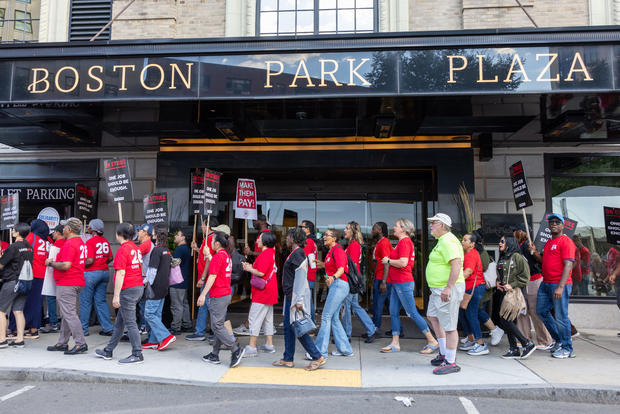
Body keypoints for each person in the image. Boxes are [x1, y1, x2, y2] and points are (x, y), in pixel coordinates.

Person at [380, 218, 438, 354]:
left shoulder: (405, 242)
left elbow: (403, 262)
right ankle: (395, 343)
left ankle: (432, 341)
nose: (393, 228)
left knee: (412, 312)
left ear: (403, 229)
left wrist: (388, 260)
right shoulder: (402, 242)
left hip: (402, 282)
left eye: (396, 225)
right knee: (393, 311)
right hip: (397, 283)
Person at [273, 227, 325, 370]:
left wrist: (299, 300)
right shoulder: (296, 253)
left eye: (289, 237)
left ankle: (317, 356)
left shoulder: (298, 255)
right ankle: (288, 358)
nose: (287, 239)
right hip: (291, 296)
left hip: (295, 297)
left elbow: (301, 278)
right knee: (290, 328)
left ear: (294, 239)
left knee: (298, 328)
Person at [95, 223, 145, 364]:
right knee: (120, 323)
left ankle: (137, 353)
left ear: (119, 234)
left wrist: (116, 295)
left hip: (128, 289)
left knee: (130, 323)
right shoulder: (135, 248)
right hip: (137, 286)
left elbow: (121, 273)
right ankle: (108, 350)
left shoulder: (123, 249)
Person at [529, 213, 577, 359]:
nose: (553, 224)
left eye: (557, 222)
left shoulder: (566, 241)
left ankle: (568, 348)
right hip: (546, 283)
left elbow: (569, 265)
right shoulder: (549, 242)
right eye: (551, 222)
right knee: (541, 311)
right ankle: (560, 341)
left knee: (561, 316)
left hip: (559, 284)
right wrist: (535, 253)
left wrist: (561, 287)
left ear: (562, 226)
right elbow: (545, 261)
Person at [425, 213, 465, 375]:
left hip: (446, 289)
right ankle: (443, 353)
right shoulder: (442, 241)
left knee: (449, 326)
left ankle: (450, 361)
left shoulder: (448, 241)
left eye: (433, 223)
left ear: (442, 225)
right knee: (433, 317)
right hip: (438, 289)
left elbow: (456, 264)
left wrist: (448, 288)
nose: (431, 226)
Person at [197, 231, 245, 367]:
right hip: (224, 293)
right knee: (218, 324)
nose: (210, 243)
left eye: (212, 241)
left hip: (218, 294)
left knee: (217, 326)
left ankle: (235, 349)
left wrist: (202, 294)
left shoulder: (219, 256)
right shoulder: (224, 255)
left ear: (217, 244)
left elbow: (212, 276)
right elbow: (216, 266)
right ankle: (215, 353)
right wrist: (208, 255)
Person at [45, 218, 88, 355]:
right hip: (76, 280)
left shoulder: (70, 243)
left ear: (69, 229)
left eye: (64, 227)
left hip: (67, 282)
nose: (62, 229)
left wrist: (50, 263)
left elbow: (65, 265)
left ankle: (80, 343)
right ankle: (62, 342)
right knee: (67, 313)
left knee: (69, 314)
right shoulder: (80, 242)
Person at [314, 228, 353, 358]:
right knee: (334, 318)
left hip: (339, 285)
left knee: (325, 316)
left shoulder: (338, 250)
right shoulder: (331, 251)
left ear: (334, 238)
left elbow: (341, 268)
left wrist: (333, 277)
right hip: (337, 286)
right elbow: (332, 266)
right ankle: (345, 349)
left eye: (327, 235)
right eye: (324, 234)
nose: (324, 237)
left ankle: (319, 352)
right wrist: (321, 264)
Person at [512, 224, 553, 350]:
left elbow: (540, 261)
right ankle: (524, 339)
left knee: (535, 312)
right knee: (522, 312)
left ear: (520, 232)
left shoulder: (528, 245)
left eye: (514, 231)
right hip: (522, 282)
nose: (512, 234)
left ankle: (545, 340)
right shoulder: (516, 246)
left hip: (534, 281)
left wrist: (534, 252)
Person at [496, 236, 536, 360]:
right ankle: (513, 349)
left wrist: (511, 285)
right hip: (504, 292)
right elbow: (501, 274)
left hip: (515, 292)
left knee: (505, 319)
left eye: (502, 241)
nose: (499, 243)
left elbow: (525, 277)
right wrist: (498, 282)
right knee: (507, 320)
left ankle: (526, 343)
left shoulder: (518, 257)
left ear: (509, 242)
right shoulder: (503, 257)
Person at [242, 231, 278, 357]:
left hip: (262, 293)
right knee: (268, 319)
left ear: (265, 241)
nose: (257, 240)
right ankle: (269, 344)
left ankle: (252, 346)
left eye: (260, 238)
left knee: (254, 318)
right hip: (270, 291)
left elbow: (261, 273)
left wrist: (249, 268)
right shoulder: (271, 253)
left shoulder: (265, 254)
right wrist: (252, 267)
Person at [341, 221, 378, 343]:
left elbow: (352, 266)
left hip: (351, 282)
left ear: (352, 231)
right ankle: (371, 329)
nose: (344, 230)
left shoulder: (354, 246)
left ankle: (346, 336)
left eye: (347, 228)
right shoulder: (352, 245)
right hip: (352, 281)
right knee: (355, 306)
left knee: (347, 308)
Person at [235, 214, 271, 336]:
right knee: (259, 303)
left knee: (256, 300)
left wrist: (251, 253)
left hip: (260, 274)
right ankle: (255, 326)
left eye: (254, 220)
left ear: (260, 221)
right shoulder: (263, 234)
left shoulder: (265, 234)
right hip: (257, 272)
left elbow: (264, 254)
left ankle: (249, 325)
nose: (253, 223)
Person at [141, 228, 176, 351]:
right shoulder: (166, 250)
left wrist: (145, 282)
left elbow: (152, 271)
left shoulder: (156, 250)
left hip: (155, 288)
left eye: (153, 233)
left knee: (149, 314)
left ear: (156, 236)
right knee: (156, 314)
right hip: (164, 287)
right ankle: (154, 341)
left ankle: (166, 336)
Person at [458, 233, 491, 356]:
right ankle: (472, 340)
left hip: (474, 288)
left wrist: (452, 280)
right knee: (464, 313)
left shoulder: (471, 254)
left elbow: (468, 272)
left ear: (472, 244)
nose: (462, 242)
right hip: (471, 288)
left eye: (465, 240)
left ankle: (480, 344)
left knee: (471, 314)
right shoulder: (468, 253)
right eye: (463, 239)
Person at [0, 223, 33, 348]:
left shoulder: (13, 247)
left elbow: (2, 264)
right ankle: (19, 339)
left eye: (14, 230)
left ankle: (2, 339)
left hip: (12, 281)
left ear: (18, 232)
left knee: (1, 310)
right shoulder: (29, 246)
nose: (13, 231)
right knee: (18, 310)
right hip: (26, 281)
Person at [15, 219, 49, 339]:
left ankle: (15, 329)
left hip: (28, 274)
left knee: (19, 301)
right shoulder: (47, 240)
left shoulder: (31, 236)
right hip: (43, 274)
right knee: (36, 303)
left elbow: (21, 249)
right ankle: (34, 328)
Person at [80, 219, 114, 337]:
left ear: (93, 229)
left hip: (91, 273)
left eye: (89, 226)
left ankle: (83, 330)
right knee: (101, 301)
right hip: (104, 272)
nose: (88, 228)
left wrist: (78, 264)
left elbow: (89, 260)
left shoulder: (90, 242)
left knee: (85, 302)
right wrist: (102, 261)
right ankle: (108, 328)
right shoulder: (105, 241)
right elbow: (110, 258)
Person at [187, 217, 217, 341]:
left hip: (208, 278)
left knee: (209, 305)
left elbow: (209, 261)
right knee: (205, 305)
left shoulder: (211, 239)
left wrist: (203, 278)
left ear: (208, 226)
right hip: (206, 277)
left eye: (203, 225)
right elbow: (206, 256)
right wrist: (198, 249)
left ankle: (208, 332)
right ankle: (202, 330)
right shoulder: (208, 239)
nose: (201, 227)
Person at [40, 224, 65, 334]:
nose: (53, 234)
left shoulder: (56, 245)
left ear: (58, 232)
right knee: (65, 301)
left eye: (54, 232)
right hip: (66, 275)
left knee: (51, 298)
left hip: (54, 274)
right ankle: (63, 323)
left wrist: (48, 262)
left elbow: (49, 262)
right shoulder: (68, 243)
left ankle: (53, 323)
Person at [371, 221, 393, 332]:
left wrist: (383, 281)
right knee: (389, 305)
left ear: (380, 230)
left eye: (374, 228)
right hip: (379, 277)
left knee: (378, 305)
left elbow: (387, 262)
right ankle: (399, 329)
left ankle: (375, 329)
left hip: (382, 278)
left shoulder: (384, 243)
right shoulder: (379, 242)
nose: (372, 231)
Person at [170, 229, 192, 334]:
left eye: (177, 235)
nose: (175, 237)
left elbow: (174, 263)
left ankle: (176, 327)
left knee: (176, 305)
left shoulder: (179, 249)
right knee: (184, 303)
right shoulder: (187, 249)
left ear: (183, 238)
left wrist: (168, 259)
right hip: (184, 280)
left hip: (177, 281)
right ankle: (187, 324)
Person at [136, 223, 154, 334]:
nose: (138, 232)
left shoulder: (146, 244)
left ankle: (144, 326)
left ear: (146, 233)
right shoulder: (148, 244)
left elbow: (133, 254)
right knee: (143, 305)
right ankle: (144, 325)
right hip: (145, 278)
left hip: (143, 279)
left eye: (140, 230)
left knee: (143, 305)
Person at [300, 220, 318, 322]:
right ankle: (310, 322)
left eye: (302, 227)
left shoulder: (308, 241)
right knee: (307, 300)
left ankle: (310, 323)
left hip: (306, 275)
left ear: (308, 229)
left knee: (307, 301)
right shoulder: (312, 241)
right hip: (309, 274)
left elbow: (303, 259)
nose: (300, 228)